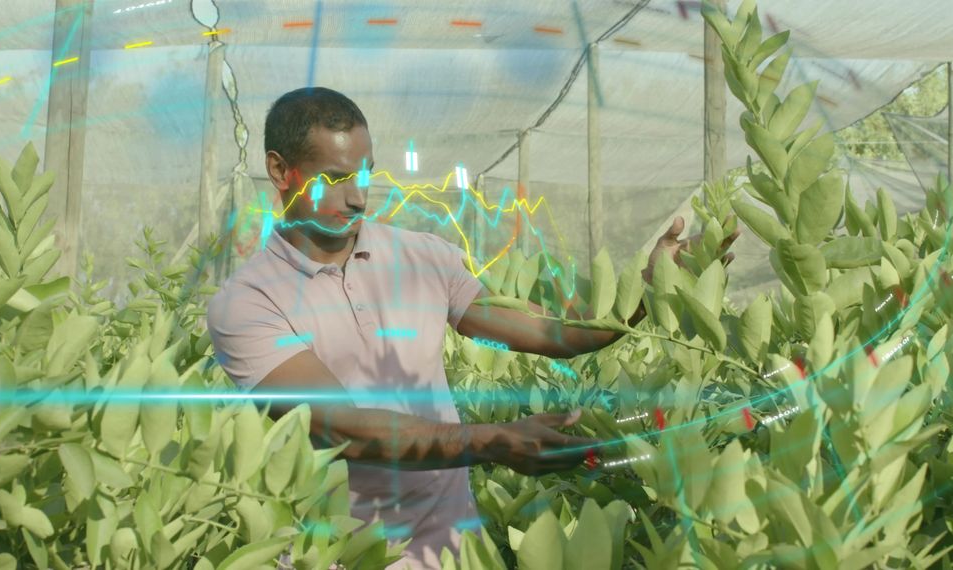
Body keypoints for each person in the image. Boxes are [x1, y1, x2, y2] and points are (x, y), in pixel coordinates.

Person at [207, 86, 738, 569]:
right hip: (337, 555)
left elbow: (555, 334)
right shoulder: (249, 303)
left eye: (365, 173)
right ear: (280, 171)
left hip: (453, 552)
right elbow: (338, 427)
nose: (357, 197)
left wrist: (649, 286)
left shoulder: (422, 258)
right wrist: (493, 441)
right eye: (336, 178)